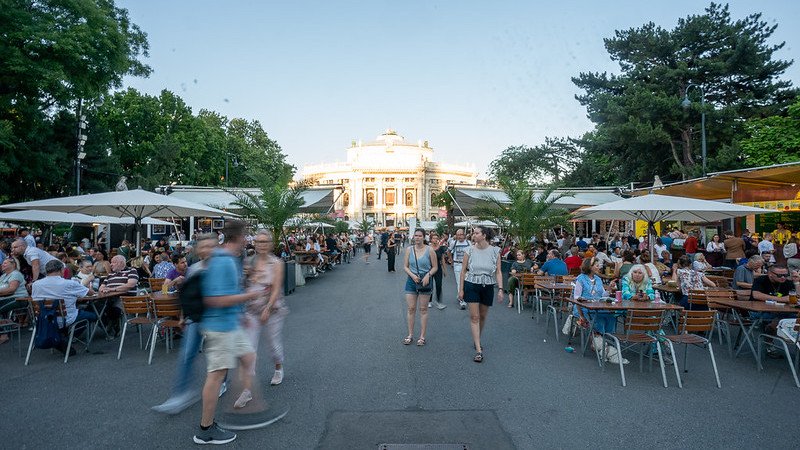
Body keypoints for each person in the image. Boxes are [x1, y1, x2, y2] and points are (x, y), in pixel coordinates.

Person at [194, 221, 263, 445]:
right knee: (216, 375)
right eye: (247, 236)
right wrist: (248, 297)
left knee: (249, 357)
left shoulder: (231, 260)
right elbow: (214, 300)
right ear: (240, 238)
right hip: (219, 327)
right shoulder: (222, 262)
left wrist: (240, 312)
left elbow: (228, 293)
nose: (249, 240)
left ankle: (246, 404)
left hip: (231, 323)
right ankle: (205, 429)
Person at [152, 234, 222, 415]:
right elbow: (188, 296)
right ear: (198, 249)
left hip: (216, 318)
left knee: (217, 356)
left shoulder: (222, 266)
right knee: (186, 355)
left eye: (210, 246)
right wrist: (183, 316)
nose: (206, 249)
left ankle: (221, 382)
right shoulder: (194, 268)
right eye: (203, 246)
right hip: (195, 318)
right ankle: (180, 395)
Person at [243, 230, 288, 387]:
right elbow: (244, 285)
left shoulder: (277, 263)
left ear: (271, 244)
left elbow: (276, 288)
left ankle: (278, 367)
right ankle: (249, 382)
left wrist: (268, 308)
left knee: (273, 344)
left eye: (265, 242)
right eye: (258, 242)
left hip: (272, 309)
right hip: (252, 309)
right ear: (254, 243)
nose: (261, 245)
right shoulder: (248, 262)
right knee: (249, 345)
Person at [31, 260, 97, 354]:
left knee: (78, 312)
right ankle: (68, 337)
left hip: (43, 319)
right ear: (62, 270)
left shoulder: (36, 284)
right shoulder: (68, 283)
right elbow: (90, 293)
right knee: (93, 315)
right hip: (64, 319)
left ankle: (62, 336)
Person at [458, 226, 503, 363]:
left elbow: (498, 272)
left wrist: (500, 289)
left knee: (482, 316)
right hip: (471, 284)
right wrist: (461, 289)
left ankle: (477, 338)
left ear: (484, 235)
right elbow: (463, 271)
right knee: (475, 317)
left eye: (476, 233)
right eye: (474, 233)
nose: (473, 235)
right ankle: (478, 349)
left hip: (488, 285)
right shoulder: (469, 250)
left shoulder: (495, 251)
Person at [572, 257, 628, 364]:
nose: (599, 267)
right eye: (597, 265)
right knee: (598, 318)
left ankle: (603, 341)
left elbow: (603, 295)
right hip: (583, 308)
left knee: (610, 317)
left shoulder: (598, 279)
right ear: (590, 267)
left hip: (598, 306)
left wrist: (610, 289)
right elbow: (576, 297)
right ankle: (600, 343)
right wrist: (581, 315)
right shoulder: (580, 279)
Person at [402, 229, 438, 347]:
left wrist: (428, 275)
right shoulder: (409, 250)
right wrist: (412, 275)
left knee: (423, 309)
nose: (417, 238)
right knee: (411, 308)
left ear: (424, 237)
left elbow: (435, 267)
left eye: (419, 236)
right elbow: (405, 267)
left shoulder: (430, 250)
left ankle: (422, 336)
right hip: (411, 280)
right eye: (415, 235)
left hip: (425, 281)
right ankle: (410, 334)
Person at [98, 255, 139, 336]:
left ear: (121, 263)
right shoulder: (110, 275)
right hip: (109, 298)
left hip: (125, 299)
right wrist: (104, 289)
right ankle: (108, 325)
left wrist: (112, 289)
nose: (110, 264)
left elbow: (130, 285)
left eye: (113, 262)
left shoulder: (131, 271)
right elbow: (101, 287)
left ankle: (114, 329)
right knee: (96, 307)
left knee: (114, 309)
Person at [0, 258, 30, 344]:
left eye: (5, 263)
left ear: (13, 265)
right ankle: (7, 323)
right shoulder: (3, 276)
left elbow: (11, 290)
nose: (3, 264)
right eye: (2, 263)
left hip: (18, 299)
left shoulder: (15, 274)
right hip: (5, 299)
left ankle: (4, 335)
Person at [449, 229, 471, 310]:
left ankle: (461, 294)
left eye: (461, 234)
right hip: (457, 264)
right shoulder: (453, 243)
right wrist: (451, 260)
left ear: (464, 235)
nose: (460, 236)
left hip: (467, 266)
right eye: (458, 235)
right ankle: (462, 300)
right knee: (459, 282)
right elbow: (448, 251)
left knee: (467, 281)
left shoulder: (469, 243)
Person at [428, 232, 447, 310]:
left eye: (436, 238)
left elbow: (442, 260)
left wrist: (445, 270)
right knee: (430, 285)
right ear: (431, 239)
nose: (435, 240)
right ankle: (429, 301)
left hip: (438, 269)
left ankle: (438, 301)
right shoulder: (428, 248)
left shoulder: (441, 248)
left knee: (439, 285)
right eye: (434, 238)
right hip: (429, 268)